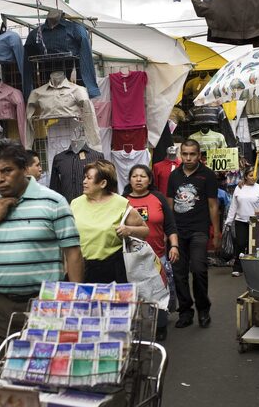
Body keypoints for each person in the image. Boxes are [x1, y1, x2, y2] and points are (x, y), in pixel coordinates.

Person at [0, 140, 84, 350]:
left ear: (24, 169)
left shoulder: (53, 202)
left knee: (43, 366)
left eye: (7, 171)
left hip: (45, 300)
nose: (0, 179)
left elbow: (72, 253)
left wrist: (74, 300)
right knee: (1, 368)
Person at [166, 139, 221, 329]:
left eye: (192, 154)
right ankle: (185, 311)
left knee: (199, 270)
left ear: (199, 155)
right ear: (181, 154)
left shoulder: (208, 175)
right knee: (179, 273)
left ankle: (203, 309)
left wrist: (217, 232)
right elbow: (170, 205)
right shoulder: (174, 176)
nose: (188, 158)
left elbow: (213, 205)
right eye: (185, 154)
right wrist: (168, 232)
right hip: (178, 231)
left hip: (199, 230)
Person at [123, 164, 179, 341]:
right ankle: (132, 328)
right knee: (133, 292)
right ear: (130, 180)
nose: (138, 179)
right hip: (131, 257)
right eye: (135, 176)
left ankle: (160, 324)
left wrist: (174, 246)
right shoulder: (121, 201)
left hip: (157, 254)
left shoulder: (158, 198)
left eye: (143, 176)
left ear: (149, 180)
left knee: (158, 290)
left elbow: (170, 225)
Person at [70, 160, 149, 283]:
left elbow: (145, 230)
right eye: (85, 177)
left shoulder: (121, 204)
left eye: (89, 178)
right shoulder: (75, 203)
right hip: (80, 267)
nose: (84, 182)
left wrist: (129, 230)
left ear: (102, 183)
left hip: (112, 271)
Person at [225, 167, 259, 278]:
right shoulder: (239, 188)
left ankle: (254, 268)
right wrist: (228, 221)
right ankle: (237, 267)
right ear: (245, 176)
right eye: (251, 175)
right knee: (241, 244)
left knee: (254, 246)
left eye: (255, 175)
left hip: (255, 222)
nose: (254, 178)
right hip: (240, 221)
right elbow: (234, 205)